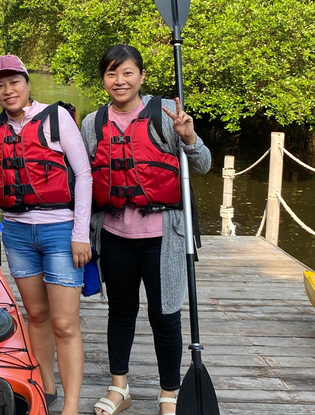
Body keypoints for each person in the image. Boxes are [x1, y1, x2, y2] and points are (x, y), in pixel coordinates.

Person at [0, 54, 92, 415]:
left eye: (13, 82)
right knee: (36, 316)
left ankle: (71, 406)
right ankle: (46, 389)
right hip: (16, 234)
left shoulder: (57, 117)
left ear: (27, 83)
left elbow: (85, 175)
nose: (7, 90)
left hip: (60, 231)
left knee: (64, 322)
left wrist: (81, 233)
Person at [81, 44, 211, 415]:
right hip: (115, 235)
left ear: (140, 76)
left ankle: (169, 391)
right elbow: (85, 178)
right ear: (103, 79)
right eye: (111, 73)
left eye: (126, 73)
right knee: (120, 312)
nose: (119, 81)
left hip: (163, 237)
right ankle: (119, 387)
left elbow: (202, 165)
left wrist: (188, 137)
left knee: (164, 314)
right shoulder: (93, 123)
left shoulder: (165, 114)